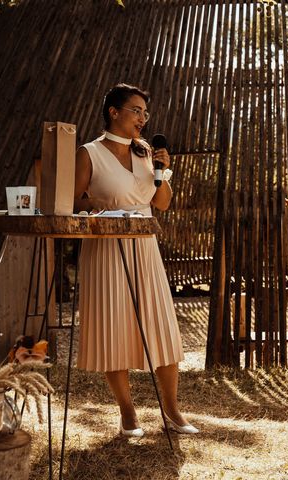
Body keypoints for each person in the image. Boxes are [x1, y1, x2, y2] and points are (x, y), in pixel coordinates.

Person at [74, 83, 198, 437]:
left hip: (144, 247)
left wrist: (162, 171)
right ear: (114, 112)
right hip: (106, 248)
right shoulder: (89, 153)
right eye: (136, 110)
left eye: (146, 112)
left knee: (161, 326)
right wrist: (100, 208)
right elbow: (70, 201)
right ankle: (128, 414)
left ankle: (172, 412)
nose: (143, 118)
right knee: (114, 329)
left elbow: (162, 203)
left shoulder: (146, 152)